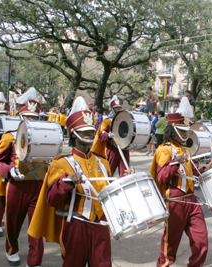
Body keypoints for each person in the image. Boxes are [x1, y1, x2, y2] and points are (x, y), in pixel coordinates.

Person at [28, 96, 134, 267]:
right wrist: (67, 182)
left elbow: (108, 193)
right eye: (85, 131)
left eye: (91, 131)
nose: (90, 134)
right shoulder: (61, 162)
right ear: (74, 134)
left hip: (100, 225)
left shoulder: (102, 161)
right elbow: (51, 199)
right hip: (76, 225)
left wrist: (124, 180)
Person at [150, 96, 212, 267]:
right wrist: (175, 162)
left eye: (187, 130)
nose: (186, 133)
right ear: (174, 130)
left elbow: (193, 174)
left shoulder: (186, 150)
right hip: (174, 201)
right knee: (169, 247)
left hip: (191, 200)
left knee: (201, 241)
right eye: (183, 130)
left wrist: (207, 167)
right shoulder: (163, 150)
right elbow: (162, 177)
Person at [0, 87, 44, 266]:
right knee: (13, 222)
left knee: (37, 224)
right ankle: (12, 249)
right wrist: (9, 170)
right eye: (28, 117)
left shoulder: (45, 136)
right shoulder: (9, 137)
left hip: (38, 184)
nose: (31, 121)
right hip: (17, 185)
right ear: (21, 117)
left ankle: (35, 259)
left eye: (34, 118)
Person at [91, 95, 130, 176]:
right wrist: (108, 136)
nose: (118, 109)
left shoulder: (126, 120)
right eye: (116, 108)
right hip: (113, 149)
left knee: (125, 173)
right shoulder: (107, 121)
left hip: (124, 148)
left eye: (119, 108)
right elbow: (101, 135)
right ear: (112, 109)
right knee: (109, 172)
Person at [0, 91, 9, 238]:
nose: (0, 117)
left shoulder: (10, 129)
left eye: (3, 113)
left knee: (1, 195)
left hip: (2, 166)